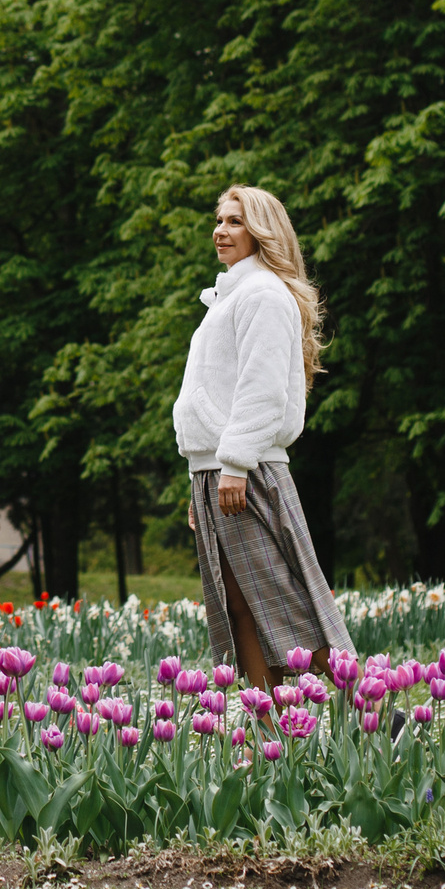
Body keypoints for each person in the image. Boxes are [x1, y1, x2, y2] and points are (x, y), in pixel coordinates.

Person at [176, 184, 352, 688]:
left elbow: (262, 388)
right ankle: (268, 726)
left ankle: (381, 714)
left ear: (261, 231)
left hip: (246, 472)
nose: (220, 230)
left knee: (283, 602)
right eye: (219, 220)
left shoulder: (263, 294)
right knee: (239, 608)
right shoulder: (229, 297)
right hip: (218, 474)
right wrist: (202, 481)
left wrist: (232, 464)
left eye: (235, 221)